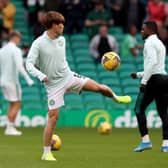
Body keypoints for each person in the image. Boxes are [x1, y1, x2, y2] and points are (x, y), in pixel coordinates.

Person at [26, 11, 131, 161]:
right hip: (53, 85)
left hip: (69, 77)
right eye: (60, 24)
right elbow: (28, 64)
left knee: (99, 88)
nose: (63, 26)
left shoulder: (62, 40)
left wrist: (68, 84)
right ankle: (46, 153)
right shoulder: (38, 43)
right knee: (53, 118)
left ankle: (116, 97)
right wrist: (41, 75)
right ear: (52, 25)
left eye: (63, 23)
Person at [130, 21, 168, 152]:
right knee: (163, 112)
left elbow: (152, 63)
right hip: (164, 79)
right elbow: (157, 66)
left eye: (143, 29)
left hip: (153, 80)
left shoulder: (149, 43)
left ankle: (145, 141)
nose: (141, 32)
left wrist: (144, 81)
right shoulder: (160, 44)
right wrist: (139, 74)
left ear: (149, 30)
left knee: (138, 109)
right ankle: (166, 144)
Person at [0, 31, 34, 135]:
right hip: (12, 82)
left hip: (3, 80)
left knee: (12, 104)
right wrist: (29, 79)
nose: (19, 41)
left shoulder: (2, 50)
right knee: (17, 104)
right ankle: (10, 128)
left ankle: (9, 127)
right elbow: (19, 67)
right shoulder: (16, 50)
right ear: (15, 38)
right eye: (19, 39)